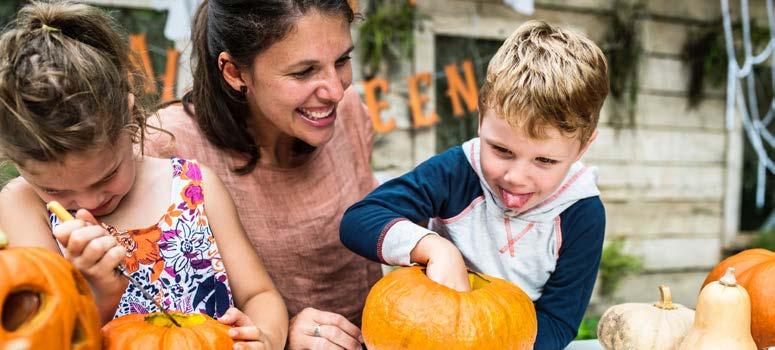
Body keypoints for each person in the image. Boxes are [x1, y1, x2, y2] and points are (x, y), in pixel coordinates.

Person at [0, 2, 288, 349]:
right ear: (17, 164)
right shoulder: (23, 207)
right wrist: (96, 291)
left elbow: (259, 294)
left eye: (107, 175)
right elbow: (45, 339)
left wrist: (266, 337)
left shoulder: (194, 188)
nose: (90, 202)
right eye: (54, 189)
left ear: (131, 117)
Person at [340, 20, 609, 349]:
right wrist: (437, 249)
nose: (516, 177)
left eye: (545, 161)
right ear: (481, 119)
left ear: (582, 147)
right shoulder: (457, 171)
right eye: (501, 150)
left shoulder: (582, 213)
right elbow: (360, 219)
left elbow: (558, 323)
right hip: (427, 335)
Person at [143, 1, 381, 349]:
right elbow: (145, 316)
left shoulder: (350, 113)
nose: (335, 90)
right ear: (235, 72)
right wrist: (275, 334)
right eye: (303, 72)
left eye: (342, 61)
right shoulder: (167, 146)